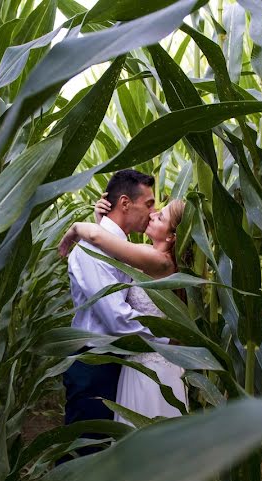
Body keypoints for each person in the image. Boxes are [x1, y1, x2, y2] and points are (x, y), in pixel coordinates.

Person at [60, 193, 262, 481]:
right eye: (152, 208)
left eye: (159, 215)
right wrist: (101, 220)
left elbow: (108, 246)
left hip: (152, 368)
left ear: (174, 236)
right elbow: (114, 249)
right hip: (148, 367)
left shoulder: (161, 263)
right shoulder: (149, 255)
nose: (152, 215)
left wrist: (82, 227)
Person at [60, 169, 167, 456]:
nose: (152, 212)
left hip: (115, 360)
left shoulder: (118, 245)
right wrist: (167, 342)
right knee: (87, 450)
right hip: (94, 364)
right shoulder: (91, 253)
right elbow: (117, 319)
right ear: (124, 203)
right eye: (149, 204)